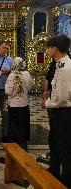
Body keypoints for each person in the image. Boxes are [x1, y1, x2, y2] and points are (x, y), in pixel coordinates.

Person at [41, 35, 71, 188]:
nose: (47, 50)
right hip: (58, 111)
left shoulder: (66, 68)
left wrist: (47, 103)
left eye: (48, 48)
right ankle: (54, 171)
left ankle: (66, 179)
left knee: (64, 146)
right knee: (54, 142)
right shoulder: (59, 64)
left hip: (64, 112)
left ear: (55, 49)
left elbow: (61, 98)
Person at [5, 57, 32, 150]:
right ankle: (23, 146)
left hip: (14, 105)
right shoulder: (27, 74)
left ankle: (16, 148)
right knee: (23, 125)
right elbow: (29, 89)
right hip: (24, 105)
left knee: (14, 127)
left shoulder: (12, 75)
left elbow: (8, 92)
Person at [38, 59, 56, 162]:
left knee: (55, 129)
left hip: (58, 104)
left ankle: (55, 154)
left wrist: (46, 95)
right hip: (52, 100)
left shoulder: (65, 64)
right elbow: (48, 78)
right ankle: (54, 153)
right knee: (54, 128)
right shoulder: (55, 62)